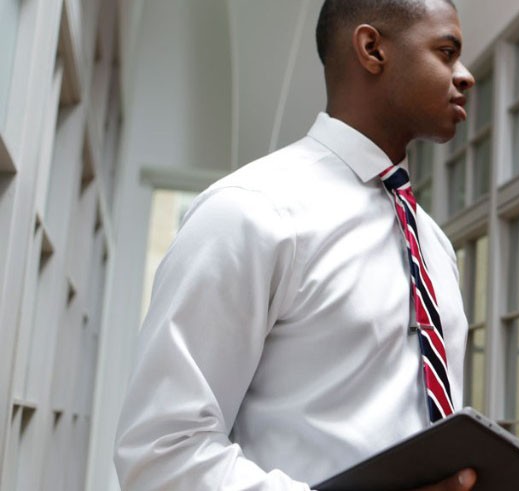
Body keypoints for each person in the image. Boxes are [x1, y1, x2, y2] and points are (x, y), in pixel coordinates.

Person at [114, 1, 477, 489]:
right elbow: (161, 452)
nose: (466, 75)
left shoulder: (433, 244)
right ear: (372, 50)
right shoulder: (250, 211)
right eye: (447, 52)